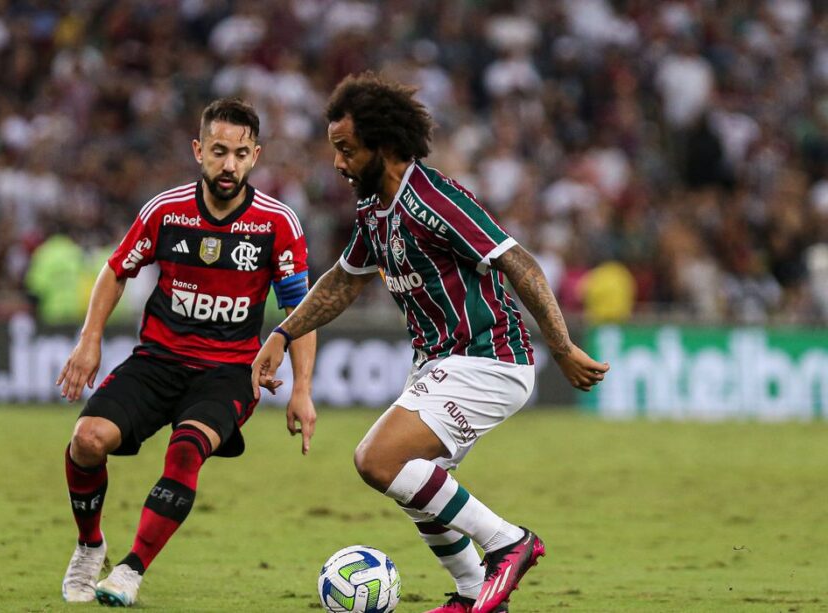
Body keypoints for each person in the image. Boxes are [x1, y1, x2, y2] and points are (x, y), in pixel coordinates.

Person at [252, 73, 609, 613]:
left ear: (384, 146)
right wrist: (284, 331)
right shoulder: (375, 210)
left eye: (347, 150)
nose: (338, 164)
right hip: (441, 363)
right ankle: (471, 594)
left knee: (377, 460)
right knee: (419, 485)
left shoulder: (435, 199)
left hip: (488, 358)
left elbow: (519, 262)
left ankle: (508, 543)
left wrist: (560, 346)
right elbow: (345, 280)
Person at [56, 98, 316, 607]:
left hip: (229, 373)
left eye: (241, 154)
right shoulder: (165, 210)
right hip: (157, 361)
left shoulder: (276, 223)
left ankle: (130, 570)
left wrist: (302, 388)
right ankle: (90, 547)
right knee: (87, 440)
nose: (229, 165)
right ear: (198, 150)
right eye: (219, 151)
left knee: (187, 448)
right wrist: (89, 340)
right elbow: (115, 270)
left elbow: (300, 310)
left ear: (256, 156)